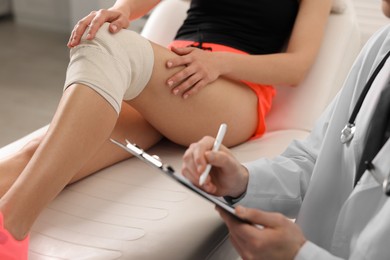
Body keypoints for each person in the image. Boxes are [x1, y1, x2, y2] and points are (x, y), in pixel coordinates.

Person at [0, 0, 332, 258]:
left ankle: (12, 225)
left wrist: (218, 64)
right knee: (39, 152)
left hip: (234, 89)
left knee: (108, 44)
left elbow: (297, 66)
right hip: (172, 77)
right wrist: (121, 10)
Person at [181, 1, 390, 259]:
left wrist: (299, 255)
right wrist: (243, 180)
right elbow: (317, 161)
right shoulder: (383, 46)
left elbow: (295, 67)